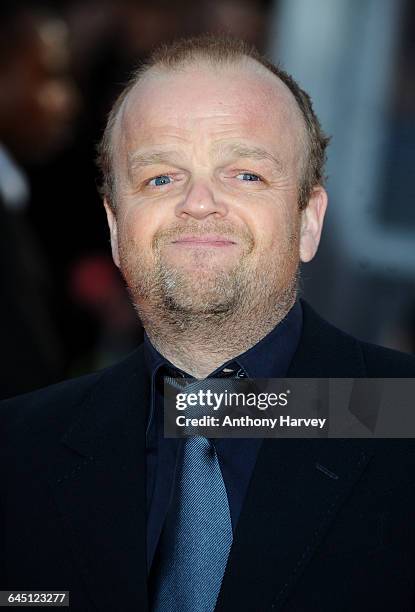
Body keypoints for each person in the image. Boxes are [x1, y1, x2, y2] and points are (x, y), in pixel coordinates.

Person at [1, 35, 415, 612]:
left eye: (245, 174)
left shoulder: (402, 415)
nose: (199, 202)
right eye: (160, 178)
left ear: (308, 222)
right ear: (116, 228)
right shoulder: (17, 451)